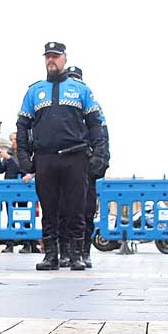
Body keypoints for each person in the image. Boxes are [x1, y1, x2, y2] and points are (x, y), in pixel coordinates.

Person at [16, 42, 107, 272]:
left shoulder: (80, 90)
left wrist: (99, 155)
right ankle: (51, 255)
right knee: (49, 209)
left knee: (76, 208)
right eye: (48, 57)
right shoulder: (34, 91)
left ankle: (76, 254)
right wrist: (24, 158)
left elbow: (96, 125)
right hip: (45, 158)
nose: (51, 61)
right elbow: (22, 126)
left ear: (64, 59)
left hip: (74, 157)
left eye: (55, 57)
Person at [65, 65, 110, 269]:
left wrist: (99, 164)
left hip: (87, 164)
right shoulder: (63, 104)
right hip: (68, 163)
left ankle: (84, 250)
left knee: (86, 210)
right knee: (64, 211)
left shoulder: (93, 105)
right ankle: (66, 251)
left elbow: (102, 137)